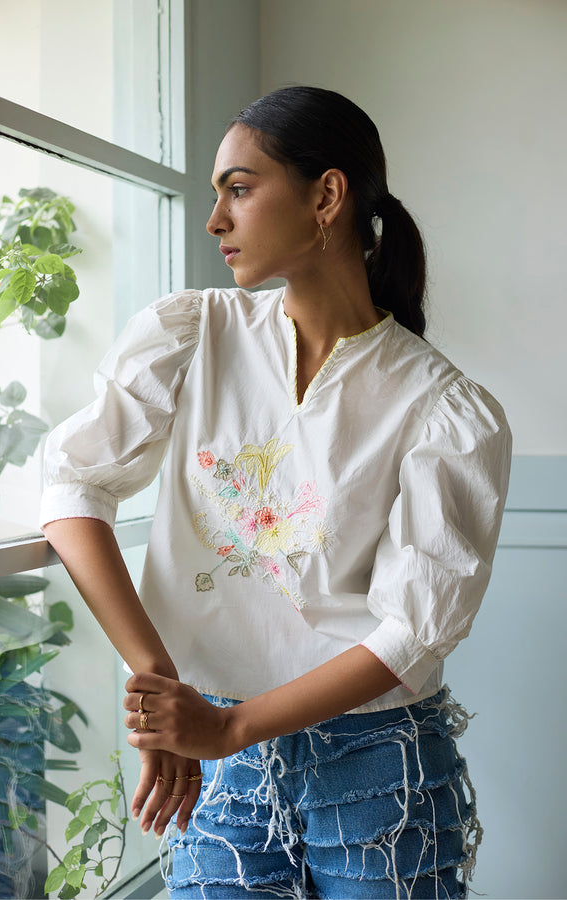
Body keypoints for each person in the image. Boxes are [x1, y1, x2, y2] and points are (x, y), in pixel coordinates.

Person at [40, 86, 511, 899]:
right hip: (210, 755)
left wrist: (230, 726)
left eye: (240, 187)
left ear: (327, 196)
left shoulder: (444, 409)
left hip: (374, 762)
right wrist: (163, 684)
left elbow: (413, 633)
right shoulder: (192, 335)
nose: (216, 218)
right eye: (216, 194)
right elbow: (73, 482)